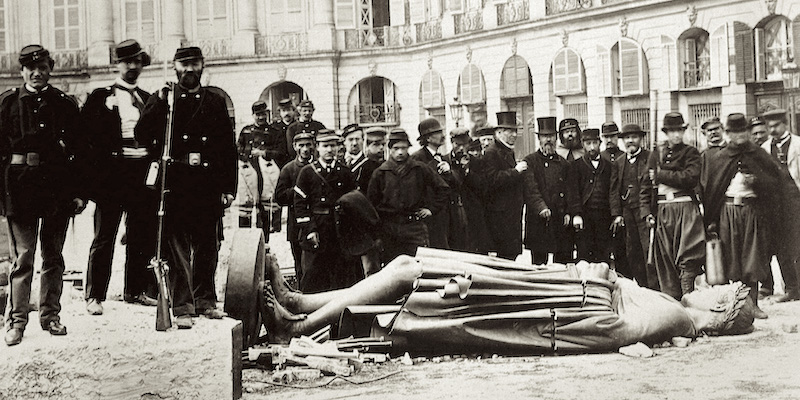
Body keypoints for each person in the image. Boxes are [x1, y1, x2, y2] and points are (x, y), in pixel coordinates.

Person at [262, 249, 755, 354]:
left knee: (409, 273)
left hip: (539, 298)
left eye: (720, 291)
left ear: (718, 312)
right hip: (545, 285)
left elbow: (609, 328)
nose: (712, 285)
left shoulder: (676, 316)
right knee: (403, 266)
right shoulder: (674, 311)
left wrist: (597, 278)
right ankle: (301, 304)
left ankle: (297, 327)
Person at [135, 46, 237, 329]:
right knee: (177, 247)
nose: (189, 69)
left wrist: (228, 187)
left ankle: (206, 301)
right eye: (184, 64)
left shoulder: (214, 101)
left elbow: (228, 149)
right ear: (175, 67)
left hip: (206, 182)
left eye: (194, 63)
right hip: (176, 182)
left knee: (208, 245)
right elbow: (141, 134)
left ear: (203, 66)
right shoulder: (166, 101)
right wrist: (157, 102)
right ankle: (182, 306)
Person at [2, 45, 87, 346]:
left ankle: (50, 316)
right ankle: (17, 322)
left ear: (51, 69)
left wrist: (79, 193)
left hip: (56, 188)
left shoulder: (64, 104)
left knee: (53, 256)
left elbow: (79, 152)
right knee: (23, 257)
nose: (37, 73)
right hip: (20, 187)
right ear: (22, 70)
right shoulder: (8, 104)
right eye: (30, 68)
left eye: (43, 68)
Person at [82, 39, 157, 315]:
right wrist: (94, 181)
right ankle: (94, 295)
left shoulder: (149, 99)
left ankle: (135, 290)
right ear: (118, 64)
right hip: (113, 175)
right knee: (105, 234)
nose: (133, 67)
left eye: (137, 62)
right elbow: (87, 141)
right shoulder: (100, 97)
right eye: (128, 62)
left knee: (141, 234)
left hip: (142, 172)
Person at [702, 113, 781, 319]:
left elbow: (775, 184)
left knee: (752, 257)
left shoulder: (759, 154)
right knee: (731, 256)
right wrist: (711, 220)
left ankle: (752, 304)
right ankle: (737, 305)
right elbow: (712, 189)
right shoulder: (720, 157)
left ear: (747, 132)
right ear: (728, 133)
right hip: (727, 212)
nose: (739, 136)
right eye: (734, 132)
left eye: (742, 131)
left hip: (752, 211)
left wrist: (756, 180)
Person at [640, 112, 705, 300]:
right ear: (666, 133)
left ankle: (689, 299)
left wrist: (661, 175)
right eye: (672, 131)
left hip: (684, 208)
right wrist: (646, 212)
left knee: (687, 255)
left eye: (679, 131)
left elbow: (690, 178)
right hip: (662, 210)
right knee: (665, 258)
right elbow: (645, 186)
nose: (676, 135)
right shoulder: (655, 155)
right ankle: (673, 302)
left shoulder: (691, 152)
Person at [294, 130, 362, 293]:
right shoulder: (308, 172)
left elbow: (353, 200)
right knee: (313, 276)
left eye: (333, 145)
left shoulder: (344, 172)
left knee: (341, 275)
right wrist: (310, 230)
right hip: (318, 229)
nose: (330, 150)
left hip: (339, 231)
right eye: (325, 146)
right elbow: (300, 204)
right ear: (317, 148)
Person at [367, 129, 449, 263]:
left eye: (403, 148)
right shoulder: (380, 173)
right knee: (392, 269)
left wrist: (431, 209)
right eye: (396, 148)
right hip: (389, 229)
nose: (400, 152)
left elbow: (443, 189)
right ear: (390, 149)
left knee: (419, 266)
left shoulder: (419, 169)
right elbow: (372, 203)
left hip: (414, 227)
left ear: (408, 148)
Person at [760, 109, 800, 303]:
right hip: (776, 205)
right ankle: (791, 289)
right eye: (770, 127)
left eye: (776, 126)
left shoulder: (798, 145)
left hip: (796, 201)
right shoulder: (766, 148)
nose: (772, 130)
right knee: (782, 247)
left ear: (785, 124)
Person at [523, 117, 573, 265]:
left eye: (551, 136)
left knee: (562, 262)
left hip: (560, 218)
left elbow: (570, 191)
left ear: (556, 138)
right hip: (539, 219)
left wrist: (568, 212)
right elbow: (530, 189)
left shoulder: (564, 164)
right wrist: (541, 207)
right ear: (539, 138)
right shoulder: (530, 161)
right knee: (539, 264)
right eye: (545, 136)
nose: (548, 140)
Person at [609, 124, 654, 288]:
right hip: (627, 213)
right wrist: (617, 214)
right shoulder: (619, 162)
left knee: (648, 250)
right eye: (627, 138)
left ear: (641, 139)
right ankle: (641, 286)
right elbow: (614, 190)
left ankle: (653, 288)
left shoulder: (650, 158)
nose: (630, 141)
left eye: (634, 137)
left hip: (645, 213)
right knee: (632, 252)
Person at [237, 101, 285, 238]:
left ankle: (265, 237)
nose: (261, 117)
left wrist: (264, 153)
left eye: (263, 114)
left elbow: (281, 153)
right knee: (246, 203)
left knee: (265, 205)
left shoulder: (275, 132)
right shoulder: (246, 131)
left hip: (268, 173)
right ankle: (244, 236)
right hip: (250, 171)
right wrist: (247, 154)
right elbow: (238, 149)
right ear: (253, 115)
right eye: (258, 115)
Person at [483, 112, 528, 260]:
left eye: (515, 131)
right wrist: (515, 171)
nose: (514, 135)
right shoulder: (491, 152)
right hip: (500, 216)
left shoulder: (507, 150)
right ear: (499, 132)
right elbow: (492, 180)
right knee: (504, 256)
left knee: (511, 254)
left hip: (510, 213)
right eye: (510, 131)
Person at [274, 132, 315, 283]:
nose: (305, 149)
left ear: (314, 146)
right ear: (294, 147)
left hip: (318, 222)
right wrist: (298, 190)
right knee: (300, 264)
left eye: (308, 145)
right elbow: (279, 197)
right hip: (296, 224)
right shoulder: (288, 169)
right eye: (301, 145)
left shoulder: (318, 166)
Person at [568, 128, 613, 264]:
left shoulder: (609, 166)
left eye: (595, 143)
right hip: (585, 217)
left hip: (604, 217)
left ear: (600, 143)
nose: (592, 147)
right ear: (583, 145)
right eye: (588, 144)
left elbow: (613, 191)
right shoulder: (575, 166)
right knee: (584, 256)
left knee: (603, 256)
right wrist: (576, 214)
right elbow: (573, 192)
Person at [411, 118, 456, 249]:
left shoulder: (440, 157)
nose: (443, 135)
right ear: (428, 138)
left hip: (443, 216)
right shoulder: (417, 159)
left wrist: (448, 171)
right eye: (438, 132)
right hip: (429, 219)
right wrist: (430, 209)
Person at [599, 121, 627, 272]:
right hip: (603, 210)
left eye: (612, 136)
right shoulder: (599, 158)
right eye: (606, 137)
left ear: (618, 137)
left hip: (620, 210)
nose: (609, 140)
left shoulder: (624, 157)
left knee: (621, 249)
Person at [446, 128, 470, 251]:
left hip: (471, 213)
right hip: (451, 213)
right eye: (457, 144)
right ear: (451, 142)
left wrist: (467, 170)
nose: (461, 148)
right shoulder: (445, 161)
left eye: (464, 144)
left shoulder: (475, 162)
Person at [352, 127, 385, 192]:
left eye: (383, 144)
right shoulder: (361, 168)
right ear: (367, 146)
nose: (381, 147)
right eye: (376, 144)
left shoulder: (386, 165)